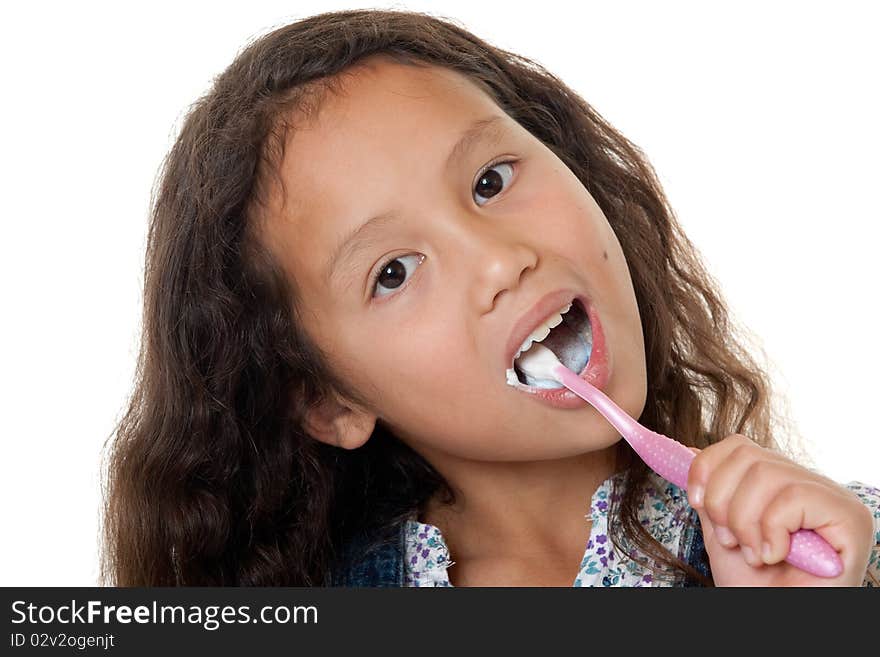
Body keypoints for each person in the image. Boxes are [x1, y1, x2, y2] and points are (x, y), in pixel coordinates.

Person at [100, 9, 880, 587]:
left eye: (490, 181)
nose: (501, 262)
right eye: (394, 272)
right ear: (327, 400)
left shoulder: (843, 554)